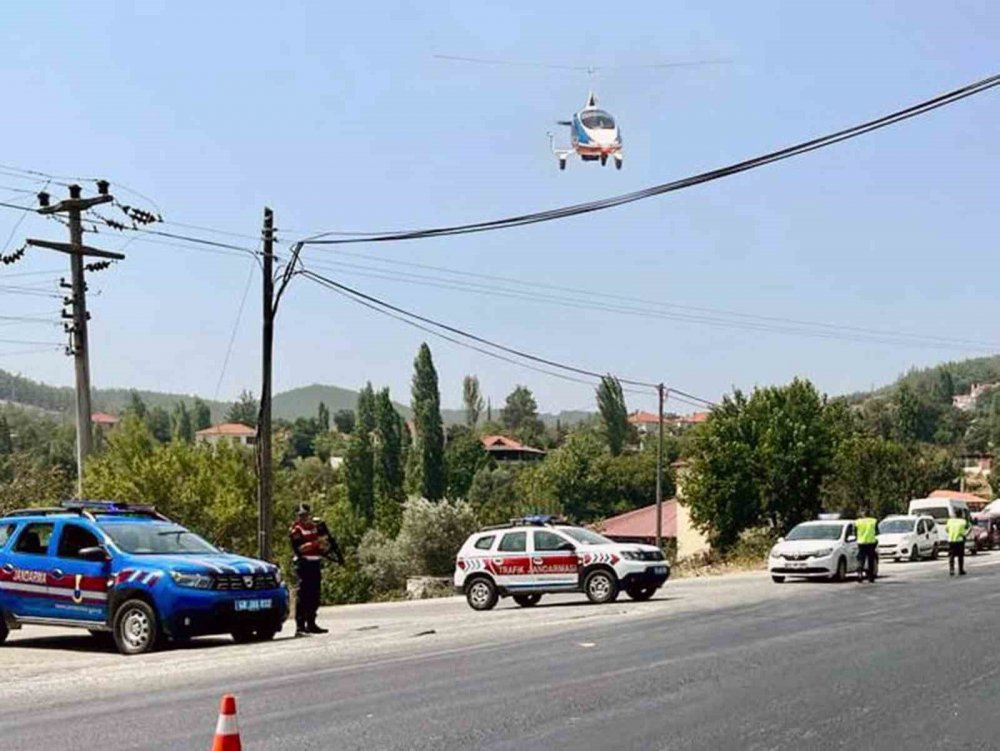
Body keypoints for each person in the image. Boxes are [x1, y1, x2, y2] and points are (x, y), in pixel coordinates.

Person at [289, 503, 342, 636]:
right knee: (303, 595)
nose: (304, 518)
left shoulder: (314, 528)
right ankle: (300, 627)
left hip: (315, 563)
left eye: (305, 515)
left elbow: (323, 545)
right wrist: (315, 543)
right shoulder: (296, 530)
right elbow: (300, 548)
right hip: (304, 563)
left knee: (315, 594)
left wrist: (324, 545)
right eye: (301, 515)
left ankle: (311, 623)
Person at [855, 508, 878, 583]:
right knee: (871, 560)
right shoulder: (873, 521)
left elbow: (854, 532)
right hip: (871, 543)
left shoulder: (858, 522)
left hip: (861, 543)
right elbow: (877, 531)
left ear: (862, 514)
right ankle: (870, 577)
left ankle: (859, 574)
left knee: (861, 559)